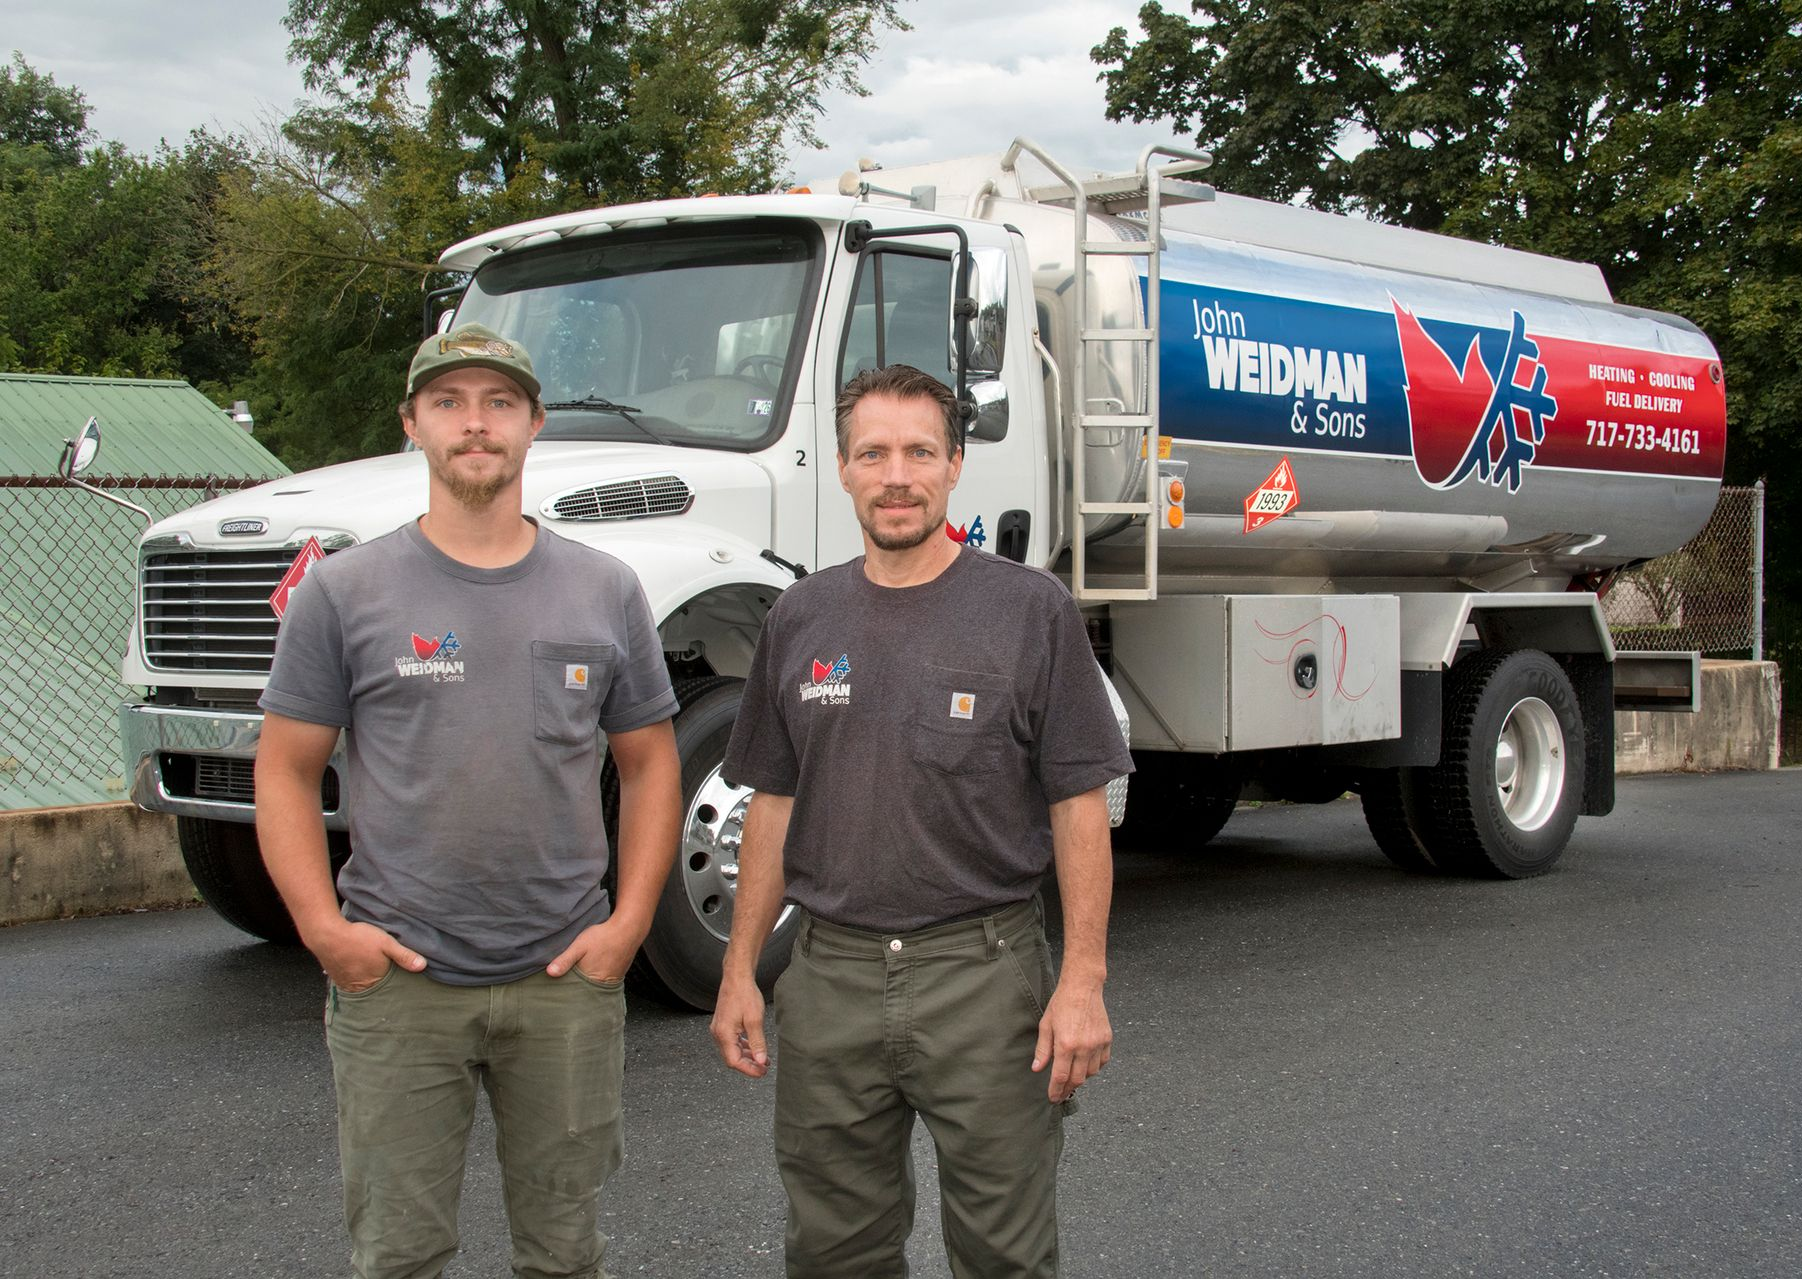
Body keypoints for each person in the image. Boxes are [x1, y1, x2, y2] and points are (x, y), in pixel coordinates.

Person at [254, 322, 682, 1279]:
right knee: (399, 1255)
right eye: (449, 402)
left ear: (533, 424)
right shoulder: (344, 592)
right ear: (414, 424)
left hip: (566, 980)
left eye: (498, 403)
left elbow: (651, 765)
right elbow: (283, 769)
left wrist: (630, 925)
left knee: (565, 1253)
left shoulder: (605, 589)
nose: (474, 424)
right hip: (397, 980)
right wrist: (326, 930)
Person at [709, 363, 1134, 1277]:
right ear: (842, 467)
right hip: (828, 978)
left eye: (918, 452)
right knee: (834, 1250)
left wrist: (1084, 980)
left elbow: (1078, 803)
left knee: (1005, 1253)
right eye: (874, 452)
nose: (895, 474)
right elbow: (771, 807)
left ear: (954, 467)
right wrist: (741, 968)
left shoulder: (1030, 611)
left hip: (984, 977)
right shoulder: (799, 615)